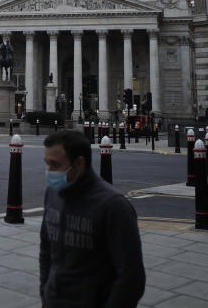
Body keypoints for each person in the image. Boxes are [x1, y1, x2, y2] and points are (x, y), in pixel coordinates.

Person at [40, 130, 145, 307]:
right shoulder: (52, 193)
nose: (49, 171)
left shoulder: (113, 206)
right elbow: (46, 250)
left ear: (79, 163)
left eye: (55, 165)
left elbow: (131, 277)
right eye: (47, 164)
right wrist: (45, 293)